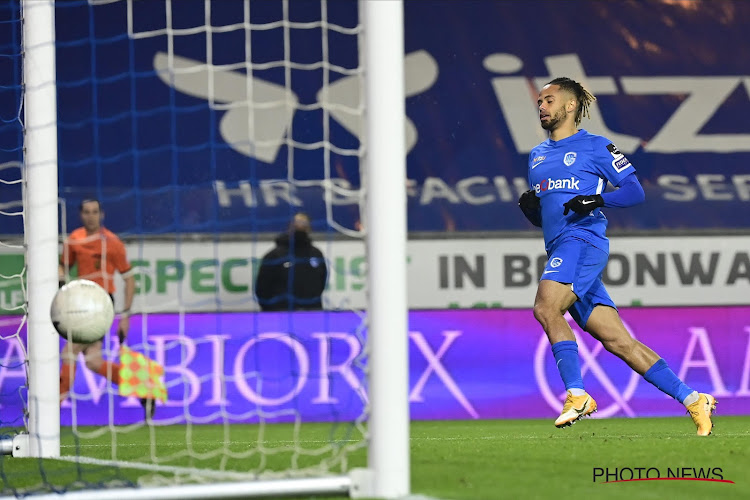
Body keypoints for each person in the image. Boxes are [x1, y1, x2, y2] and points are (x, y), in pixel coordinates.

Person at [518, 77, 716, 435]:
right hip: (562, 245)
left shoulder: (596, 147)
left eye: (549, 100)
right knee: (618, 341)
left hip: (583, 241)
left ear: (570, 106)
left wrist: (597, 199)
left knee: (546, 308)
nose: (542, 106)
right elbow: (549, 213)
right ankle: (693, 399)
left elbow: (635, 192)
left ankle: (577, 394)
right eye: (540, 101)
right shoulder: (537, 155)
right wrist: (533, 211)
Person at [58, 199, 154, 420]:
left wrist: (125, 315)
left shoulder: (112, 242)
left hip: (102, 303)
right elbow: (63, 264)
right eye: (86, 212)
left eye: (95, 212)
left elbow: (129, 280)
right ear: (81, 215)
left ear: (102, 215)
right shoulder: (74, 239)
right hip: (81, 303)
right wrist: (61, 277)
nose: (91, 216)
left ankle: (51, 408)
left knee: (69, 352)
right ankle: (143, 388)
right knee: (93, 362)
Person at [255, 212, 328, 311]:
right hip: (282, 315)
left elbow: (322, 282)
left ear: (310, 228)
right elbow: (262, 288)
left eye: (304, 223)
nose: (300, 225)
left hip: (312, 314)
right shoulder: (275, 255)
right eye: (297, 222)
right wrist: (271, 312)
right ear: (289, 227)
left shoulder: (316, 254)